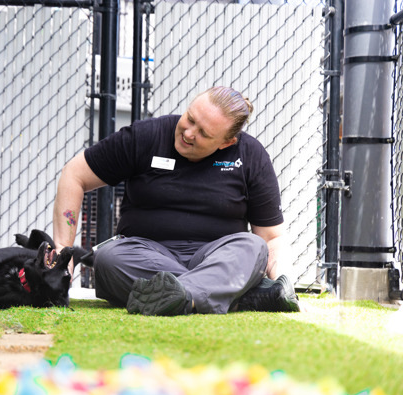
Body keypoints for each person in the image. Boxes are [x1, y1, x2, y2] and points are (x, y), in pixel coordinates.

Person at [52, 86, 300, 315]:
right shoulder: (146, 136)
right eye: (190, 118)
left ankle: (187, 295)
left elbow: (271, 238)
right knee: (109, 259)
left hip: (217, 256)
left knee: (251, 247)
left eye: (203, 133)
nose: (189, 133)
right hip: (145, 254)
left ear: (227, 142)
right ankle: (235, 296)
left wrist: (283, 282)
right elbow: (74, 174)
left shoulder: (250, 155)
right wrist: (63, 249)